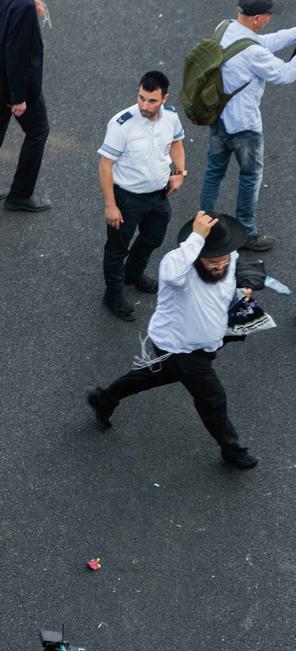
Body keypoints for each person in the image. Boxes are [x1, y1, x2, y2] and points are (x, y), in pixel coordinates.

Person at [87, 211, 259, 471]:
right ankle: (232, 450)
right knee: (212, 398)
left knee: (154, 375)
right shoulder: (177, 265)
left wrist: (246, 284)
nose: (219, 265)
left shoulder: (228, 256)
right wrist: (196, 238)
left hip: (203, 345)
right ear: (197, 252)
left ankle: (105, 398)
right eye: (211, 261)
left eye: (222, 259)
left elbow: (242, 264)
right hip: (179, 348)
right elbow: (172, 275)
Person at [198, 0, 296, 252]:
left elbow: (264, 43)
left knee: (213, 172)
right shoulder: (254, 53)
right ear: (256, 19)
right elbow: (285, 74)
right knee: (250, 177)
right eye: (268, 15)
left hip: (218, 118)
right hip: (245, 128)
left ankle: (203, 223)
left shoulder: (225, 27)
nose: (270, 19)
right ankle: (248, 233)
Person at [98, 71, 186, 322]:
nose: (144, 105)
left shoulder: (170, 116)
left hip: (159, 196)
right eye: (141, 98)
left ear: (164, 98)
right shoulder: (121, 124)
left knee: (153, 239)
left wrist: (180, 173)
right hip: (127, 199)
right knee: (117, 249)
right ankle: (113, 295)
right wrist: (110, 205)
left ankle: (133, 274)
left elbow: (177, 144)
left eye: (151, 100)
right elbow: (105, 165)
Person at [0, 0, 51, 212]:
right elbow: (17, 54)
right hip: (15, 84)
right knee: (38, 130)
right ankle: (20, 195)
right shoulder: (23, 7)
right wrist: (18, 97)